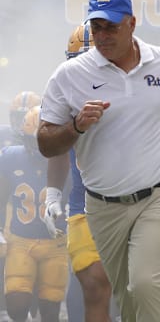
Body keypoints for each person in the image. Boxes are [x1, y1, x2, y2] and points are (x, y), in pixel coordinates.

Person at [37, 0, 160, 322]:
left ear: (132, 23)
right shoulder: (69, 75)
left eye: (110, 26)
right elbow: (45, 142)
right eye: (95, 27)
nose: (101, 35)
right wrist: (75, 126)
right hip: (102, 205)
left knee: (146, 282)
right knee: (126, 295)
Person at [43, 21, 115, 322]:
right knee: (90, 280)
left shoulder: (137, 86)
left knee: (135, 287)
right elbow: (57, 148)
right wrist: (53, 194)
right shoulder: (62, 91)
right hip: (84, 201)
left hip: (135, 201)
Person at [0, 105, 69, 322]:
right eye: (35, 140)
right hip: (20, 239)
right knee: (17, 304)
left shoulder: (70, 160)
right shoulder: (10, 157)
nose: (40, 148)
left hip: (56, 243)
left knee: (50, 310)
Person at [0, 91, 41, 322]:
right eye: (18, 116)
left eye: (26, 115)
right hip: (8, 203)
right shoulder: (5, 136)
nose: (22, 120)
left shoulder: (45, 138)